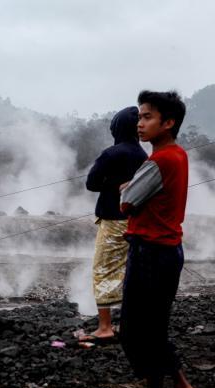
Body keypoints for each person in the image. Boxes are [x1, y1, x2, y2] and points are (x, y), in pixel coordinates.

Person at [119, 90, 196, 388]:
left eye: (147, 117)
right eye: (139, 116)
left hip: (149, 251)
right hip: (168, 250)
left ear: (168, 123)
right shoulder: (179, 155)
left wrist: (128, 188)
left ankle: (180, 384)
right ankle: (175, 387)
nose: (140, 123)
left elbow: (126, 202)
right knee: (155, 327)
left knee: (134, 332)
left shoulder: (159, 160)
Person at [82, 106, 147, 343]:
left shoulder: (112, 153)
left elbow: (91, 183)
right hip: (135, 220)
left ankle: (105, 327)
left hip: (113, 219)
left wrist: (111, 183)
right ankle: (126, 324)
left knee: (104, 269)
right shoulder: (143, 155)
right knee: (128, 271)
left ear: (117, 128)